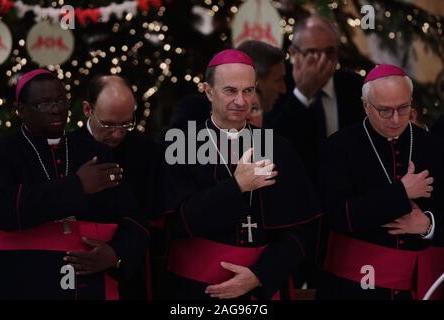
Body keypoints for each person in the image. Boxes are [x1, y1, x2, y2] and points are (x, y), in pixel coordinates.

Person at [163, 49, 321, 300]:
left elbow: (302, 230)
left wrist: (260, 274)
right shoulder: (181, 145)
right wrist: (236, 186)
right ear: (208, 91)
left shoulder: (279, 148)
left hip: (260, 290)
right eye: (230, 91)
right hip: (196, 291)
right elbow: (177, 224)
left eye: (248, 91)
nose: (241, 101)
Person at [0, 69, 149, 299]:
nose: (56, 109)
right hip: (22, 282)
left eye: (60, 100)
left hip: (90, 287)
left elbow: (134, 219)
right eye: (44, 103)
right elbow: (2, 210)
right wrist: (77, 186)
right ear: (21, 110)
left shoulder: (96, 152)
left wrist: (115, 254)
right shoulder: (3, 153)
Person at [317, 64, 444, 300]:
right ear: (366, 105)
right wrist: (402, 192)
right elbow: (338, 216)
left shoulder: (434, 146)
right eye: (385, 110)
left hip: (416, 287)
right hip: (351, 287)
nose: (396, 119)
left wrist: (428, 225)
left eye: (403, 108)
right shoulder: (339, 147)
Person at [71, 74, 161, 299]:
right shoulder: (67, 148)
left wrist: (117, 252)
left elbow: (152, 215)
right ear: (87, 109)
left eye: (126, 124)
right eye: (109, 124)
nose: (118, 134)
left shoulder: (148, 152)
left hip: (130, 274)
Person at [268, 15, 365, 182]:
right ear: (293, 53)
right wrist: (303, 94)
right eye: (312, 53)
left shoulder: (355, 87)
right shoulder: (278, 85)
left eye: (329, 52)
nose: (322, 61)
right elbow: (270, 144)